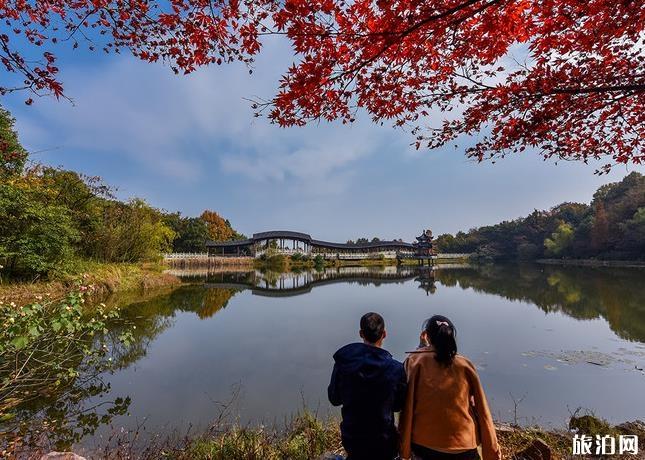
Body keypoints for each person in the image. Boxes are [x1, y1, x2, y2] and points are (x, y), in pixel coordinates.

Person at [399, 315, 501, 460]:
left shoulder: (415, 361)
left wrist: (422, 347)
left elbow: (406, 396)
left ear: (427, 336)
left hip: (425, 443)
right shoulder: (465, 365)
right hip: (464, 445)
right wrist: (492, 450)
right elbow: (482, 409)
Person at [328, 312, 407, 460]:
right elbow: (397, 406)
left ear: (361, 333)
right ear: (384, 334)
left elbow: (334, 398)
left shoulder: (344, 362)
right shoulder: (396, 369)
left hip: (352, 439)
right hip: (384, 441)